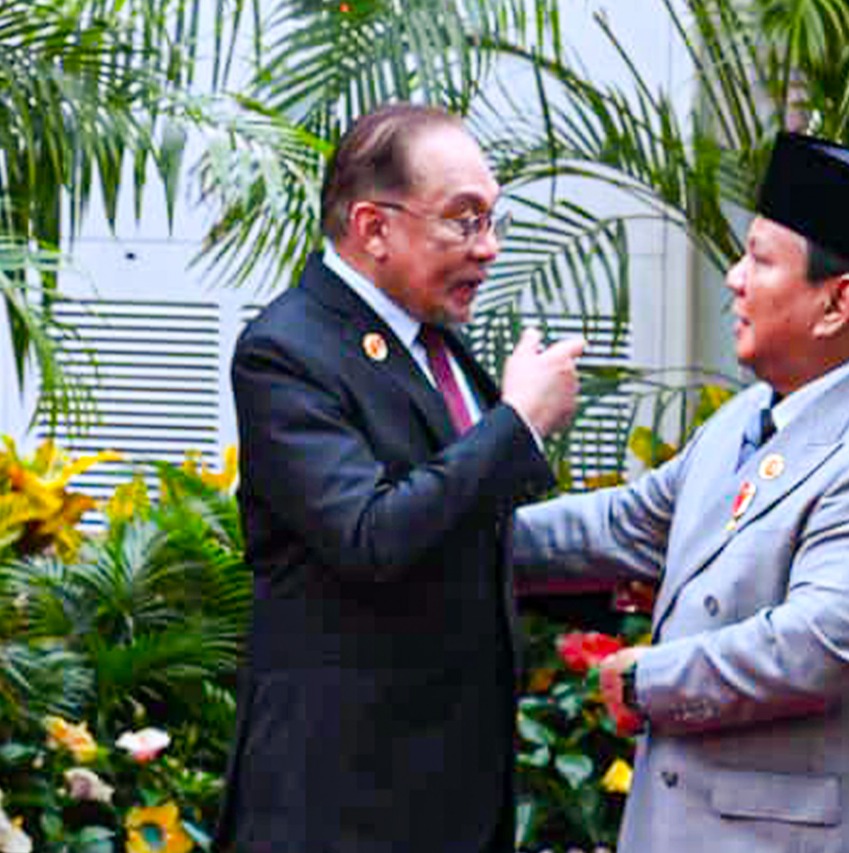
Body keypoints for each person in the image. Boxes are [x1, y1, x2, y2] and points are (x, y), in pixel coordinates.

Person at [514, 132, 849, 852]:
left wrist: (647, 679)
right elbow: (626, 523)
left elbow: (813, 648)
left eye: (761, 260)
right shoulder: (754, 413)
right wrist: (450, 523)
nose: (735, 279)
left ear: (837, 302)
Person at [215, 104, 585, 853]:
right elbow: (371, 535)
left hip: (452, 794)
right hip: (343, 804)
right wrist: (516, 423)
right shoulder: (286, 351)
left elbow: (467, 534)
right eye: (465, 220)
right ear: (373, 228)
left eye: (493, 220)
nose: (489, 247)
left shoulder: (434, 342)